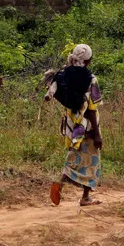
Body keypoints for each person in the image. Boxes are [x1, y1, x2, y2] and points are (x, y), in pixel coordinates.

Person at [43, 44, 103, 206]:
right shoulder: (91, 79)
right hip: (88, 126)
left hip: (71, 125)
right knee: (91, 159)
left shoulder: (63, 75)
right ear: (88, 60)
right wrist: (97, 133)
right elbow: (91, 108)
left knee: (74, 155)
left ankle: (62, 183)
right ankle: (84, 196)